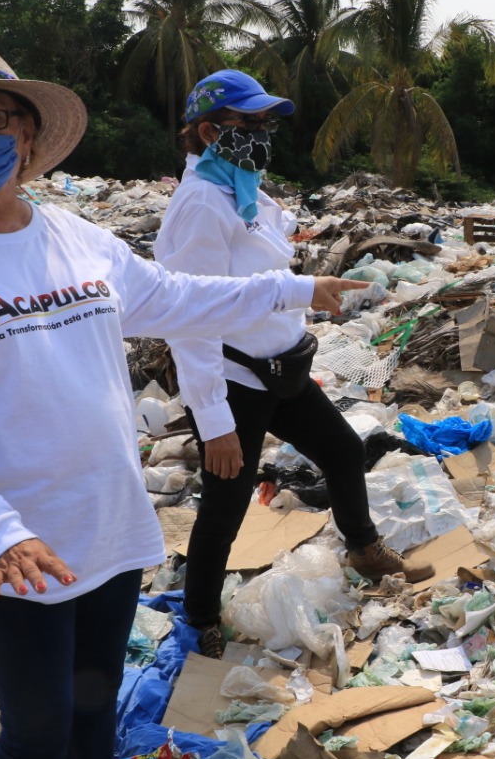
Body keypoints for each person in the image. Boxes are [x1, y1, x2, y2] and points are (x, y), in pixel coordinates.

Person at [0, 38, 365, 759]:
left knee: (95, 700)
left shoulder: (72, 236)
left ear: (27, 138)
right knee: (33, 732)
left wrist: (292, 287)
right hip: (13, 547)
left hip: (109, 522)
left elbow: (173, 295)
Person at [153, 70, 434, 658]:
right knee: (225, 505)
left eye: (265, 123)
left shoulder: (240, 184)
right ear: (208, 131)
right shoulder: (201, 204)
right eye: (247, 124)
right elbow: (189, 316)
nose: (261, 134)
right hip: (236, 381)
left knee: (343, 452)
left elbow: (268, 244)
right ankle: (200, 614)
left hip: (285, 369)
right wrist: (214, 422)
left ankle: (362, 547)